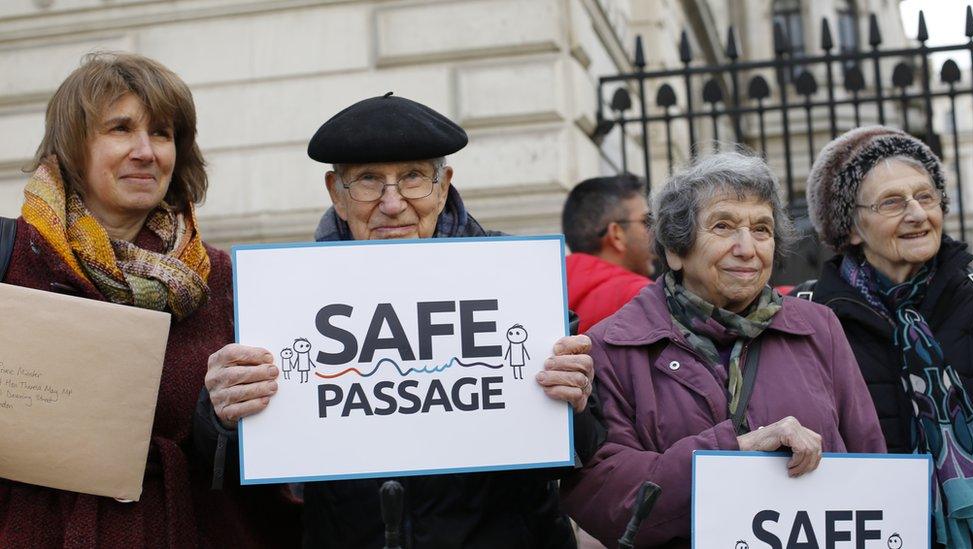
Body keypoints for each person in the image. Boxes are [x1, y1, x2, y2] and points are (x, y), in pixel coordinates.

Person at [195, 93, 604, 548]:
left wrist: (577, 404)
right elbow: (234, 472)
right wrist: (221, 416)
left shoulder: (518, 282)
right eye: (369, 181)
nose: (392, 204)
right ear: (337, 193)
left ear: (443, 185)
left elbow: (583, 452)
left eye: (412, 178)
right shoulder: (286, 300)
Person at [0, 53, 298, 547]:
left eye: (161, 133)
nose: (145, 151)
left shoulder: (221, 278)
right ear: (74, 148)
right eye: (120, 129)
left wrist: (222, 416)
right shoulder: (14, 258)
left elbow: (258, 455)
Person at [560, 151, 885, 548]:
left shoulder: (819, 328)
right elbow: (605, 500)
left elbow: (871, 468)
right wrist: (730, 451)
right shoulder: (613, 346)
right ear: (676, 250)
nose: (747, 248)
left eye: (762, 229)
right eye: (724, 226)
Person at [802, 126, 973, 547]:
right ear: (852, 229)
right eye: (893, 202)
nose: (917, 214)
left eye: (926, 196)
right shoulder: (810, 315)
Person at [562, 174, 653, 333]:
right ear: (616, 234)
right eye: (646, 221)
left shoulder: (547, 295)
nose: (654, 231)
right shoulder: (644, 299)